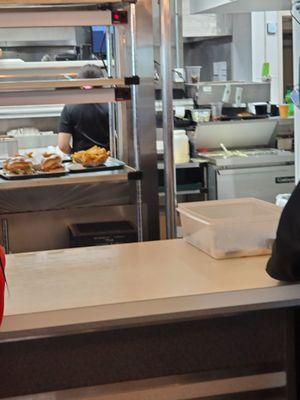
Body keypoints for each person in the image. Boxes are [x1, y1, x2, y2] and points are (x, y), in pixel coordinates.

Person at [58, 64, 109, 154]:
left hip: (82, 162)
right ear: (102, 83)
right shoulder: (112, 105)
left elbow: (62, 145)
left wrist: (76, 155)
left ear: (80, 84)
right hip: (108, 160)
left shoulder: (70, 107)